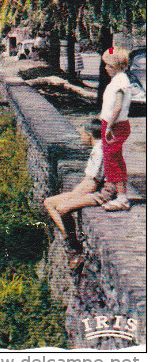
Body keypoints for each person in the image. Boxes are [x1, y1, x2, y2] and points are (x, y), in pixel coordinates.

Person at [42, 120, 115, 269]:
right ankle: (71, 241)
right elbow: (88, 180)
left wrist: (73, 197)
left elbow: (92, 184)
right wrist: (73, 194)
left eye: (81, 134)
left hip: (103, 193)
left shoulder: (100, 151)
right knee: (49, 202)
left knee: (62, 208)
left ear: (89, 135)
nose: (80, 137)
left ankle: (75, 249)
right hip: (94, 188)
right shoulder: (98, 149)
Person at [98, 47, 133, 211]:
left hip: (115, 126)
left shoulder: (120, 82)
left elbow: (117, 107)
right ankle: (119, 193)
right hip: (113, 124)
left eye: (109, 65)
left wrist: (109, 126)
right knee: (116, 159)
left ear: (118, 65)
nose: (106, 68)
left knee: (111, 160)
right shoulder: (119, 79)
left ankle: (121, 198)